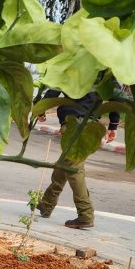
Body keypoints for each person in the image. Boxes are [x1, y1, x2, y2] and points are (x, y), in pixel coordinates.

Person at [36, 88, 119, 230]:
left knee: (73, 168)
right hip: (92, 124)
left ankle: (85, 214)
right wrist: (113, 124)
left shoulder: (72, 65)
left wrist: (40, 109)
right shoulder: (105, 69)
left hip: (74, 123)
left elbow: (55, 86)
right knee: (64, 164)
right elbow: (116, 95)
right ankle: (47, 204)